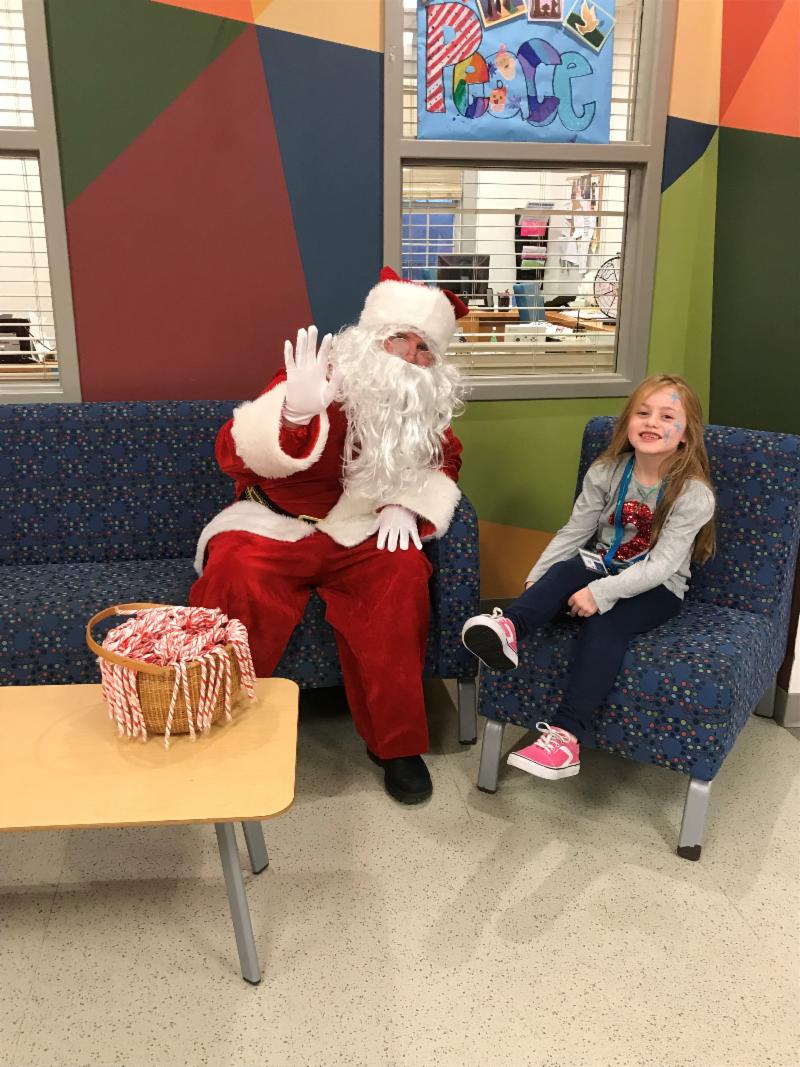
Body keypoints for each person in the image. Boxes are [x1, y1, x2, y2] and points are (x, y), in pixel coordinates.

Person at [190, 267, 467, 804]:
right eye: (400, 339)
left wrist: (407, 506)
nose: (411, 357)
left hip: (361, 532)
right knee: (235, 576)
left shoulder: (423, 404)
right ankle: (215, 727)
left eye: (425, 349)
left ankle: (396, 746)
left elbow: (446, 460)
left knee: (403, 576)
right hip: (273, 525)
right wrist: (293, 414)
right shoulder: (318, 374)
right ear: (372, 335)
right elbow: (231, 454)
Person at [461, 374, 716, 781]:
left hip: (658, 587)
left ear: (686, 434)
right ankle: (510, 628)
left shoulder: (693, 494)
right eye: (643, 412)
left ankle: (565, 738)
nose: (652, 422)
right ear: (627, 421)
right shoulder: (607, 471)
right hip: (602, 564)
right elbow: (574, 533)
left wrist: (600, 593)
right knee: (566, 568)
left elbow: (662, 566)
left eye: (667, 416)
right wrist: (537, 581)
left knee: (605, 624)